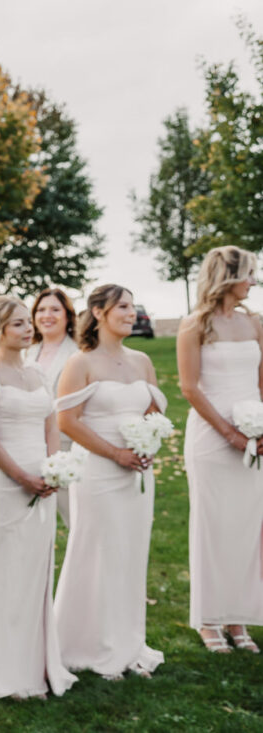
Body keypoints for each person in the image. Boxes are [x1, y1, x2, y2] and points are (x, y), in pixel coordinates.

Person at [0, 295, 77, 700]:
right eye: (17, 324)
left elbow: (51, 426)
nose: (28, 329)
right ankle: (6, 670)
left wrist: (52, 469)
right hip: (4, 481)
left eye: (28, 322)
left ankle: (37, 664)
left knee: (35, 575)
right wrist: (22, 477)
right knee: (7, 575)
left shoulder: (38, 374)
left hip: (42, 484)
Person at [53, 284, 166, 680]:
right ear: (99, 312)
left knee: (131, 555)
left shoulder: (142, 361)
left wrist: (148, 444)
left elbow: (153, 413)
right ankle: (91, 645)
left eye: (133, 306)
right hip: (98, 474)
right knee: (98, 553)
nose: (131, 312)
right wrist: (115, 453)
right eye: (123, 306)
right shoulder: (80, 363)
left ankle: (129, 642)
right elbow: (67, 421)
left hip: (137, 473)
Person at [178, 246, 263, 654]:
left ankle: (238, 618)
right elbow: (190, 387)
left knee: (247, 529)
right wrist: (230, 434)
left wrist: (259, 430)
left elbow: (262, 380)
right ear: (227, 277)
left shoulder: (255, 323)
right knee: (213, 530)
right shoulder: (196, 325)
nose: (253, 281)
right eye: (249, 273)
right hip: (212, 440)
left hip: (254, 438)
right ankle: (209, 620)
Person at [26, 288, 81, 528]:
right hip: (28, 446)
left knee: (76, 520)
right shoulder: (27, 351)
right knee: (33, 522)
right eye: (41, 310)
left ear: (68, 316)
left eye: (55, 310)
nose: (47, 315)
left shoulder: (78, 353)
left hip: (66, 448)